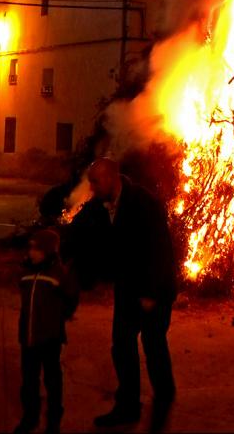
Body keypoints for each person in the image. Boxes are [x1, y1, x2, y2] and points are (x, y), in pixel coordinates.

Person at [82, 158, 177, 432]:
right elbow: (94, 239)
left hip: (153, 290)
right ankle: (127, 406)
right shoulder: (102, 204)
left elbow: (159, 251)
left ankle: (163, 401)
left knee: (153, 345)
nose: (91, 186)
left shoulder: (145, 203)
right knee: (122, 345)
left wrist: (149, 293)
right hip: (127, 287)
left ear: (112, 178)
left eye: (95, 181)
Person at [15, 228, 78, 434]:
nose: (32, 253)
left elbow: (71, 297)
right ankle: (30, 416)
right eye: (31, 248)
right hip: (28, 336)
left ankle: (53, 418)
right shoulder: (27, 272)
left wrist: (61, 316)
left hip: (50, 337)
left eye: (38, 249)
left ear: (49, 252)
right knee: (29, 379)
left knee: (52, 378)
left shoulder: (58, 274)